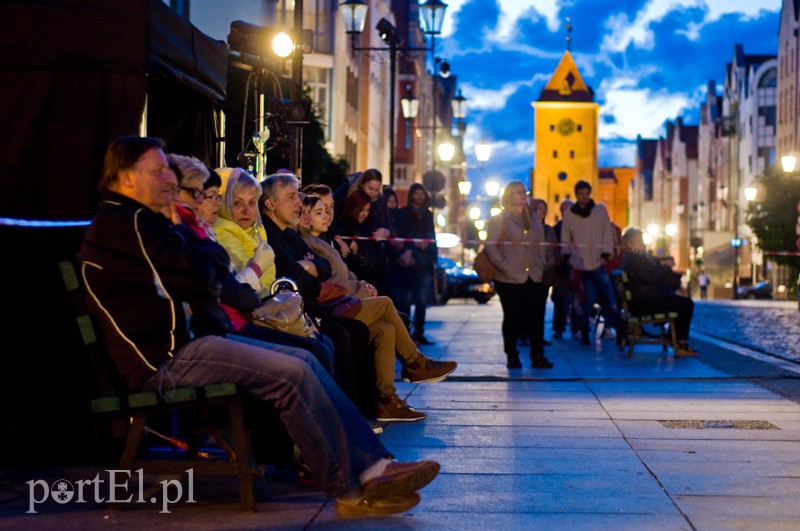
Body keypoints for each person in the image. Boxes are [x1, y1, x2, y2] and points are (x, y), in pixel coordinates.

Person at [79, 135, 440, 516]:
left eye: (168, 169)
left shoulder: (147, 222)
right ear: (125, 178)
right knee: (293, 372)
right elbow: (204, 273)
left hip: (190, 344)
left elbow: (209, 270)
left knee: (306, 361)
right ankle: (355, 485)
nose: (169, 179)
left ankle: (374, 468)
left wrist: (197, 251)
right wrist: (193, 246)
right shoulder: (128, 223)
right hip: (165, 361)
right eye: (157, 171)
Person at [299, 192, 458, 422]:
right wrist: (362, 289)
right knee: (385, 303)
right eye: (319, 212)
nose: (327, 216)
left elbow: (346, 276)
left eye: (329, 209)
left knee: (387, 329)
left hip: (347, 300)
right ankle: (415, 362)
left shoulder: (324, 241)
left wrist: (362, 285)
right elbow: (335, 283)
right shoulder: (310, 243)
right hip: (332, 308)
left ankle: (387, 400)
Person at [259, 172, 376, 417]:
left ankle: (363, 409)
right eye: (291, 197)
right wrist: (308, 271)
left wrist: (310, 269)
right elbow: (290, 278)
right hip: (290, 315)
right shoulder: (270, 234)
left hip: (309, 309)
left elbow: (323, 268)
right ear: (270, 204)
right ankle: (343, 415)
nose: (298, 203)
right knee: (341, 336)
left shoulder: (289, 234)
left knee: (359, 331)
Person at [484, 181, 552, 370]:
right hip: (509, 277)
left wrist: (542, 261)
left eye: (524, 192)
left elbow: (541, 242)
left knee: (537, 317)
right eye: (518, 192)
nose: (523, 195)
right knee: (513, 317)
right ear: (508, 196)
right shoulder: (500, 219)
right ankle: (512, 354)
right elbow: (490, 246)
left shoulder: (533, 218)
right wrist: (504, 265)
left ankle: (538, 355)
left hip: (534, 274)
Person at [561, 180, 624, 347]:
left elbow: (606, 232)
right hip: (580, 264)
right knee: (585, 303)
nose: (584, 196)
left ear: (590, 193)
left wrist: (605, 253)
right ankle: (584, 334)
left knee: (609, 301)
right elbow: (565, 236)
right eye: (581, 193)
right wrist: (567, 256)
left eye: (586, 193)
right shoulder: (569, 214)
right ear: (576, 195)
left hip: (598, 263)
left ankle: (620, 333)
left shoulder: (600, 210)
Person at [619, 227, 698, 357]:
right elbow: (649, 277)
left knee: (681, 302)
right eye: (637, 241)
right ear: (629, 244)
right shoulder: (633, 259)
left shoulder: (635, 257)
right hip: (644, 302)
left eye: (641, 241)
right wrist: (666, 268)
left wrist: (666, 269)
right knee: (686, 304)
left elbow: (653, 268)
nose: (641, 244)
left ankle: (674, 339)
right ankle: (679, 342)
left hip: (645, 298)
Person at [394, 183, 439, 346]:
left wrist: (431, 253)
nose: (419, 196)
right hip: (409, 261)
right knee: (405, 300)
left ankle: (419, 332)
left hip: (424, 261)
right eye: (416, 193)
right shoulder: (403, 213)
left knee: (421, 300)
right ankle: (406, 332)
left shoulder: (427, 214)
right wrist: (410, 249)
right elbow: (403, 234)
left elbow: (431, 235)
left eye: (422, 193)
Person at [530, 198, 558, 347]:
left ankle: (538, 337)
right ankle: (526, 334)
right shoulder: (528, 229)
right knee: (530, 308)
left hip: (546, 275)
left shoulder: (548, 230)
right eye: (539, 208)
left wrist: (550, 265)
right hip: (532, 274)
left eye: (544, 208)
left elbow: (553, 251)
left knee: (540, 308)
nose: (543, 211)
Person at [551, 199, 575, 340]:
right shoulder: (557, 229)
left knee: (579, 300)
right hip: (562, 271)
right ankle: (558, 327)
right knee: (560, 300)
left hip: (578, 269)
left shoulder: (580, 228)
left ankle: (578, 328)